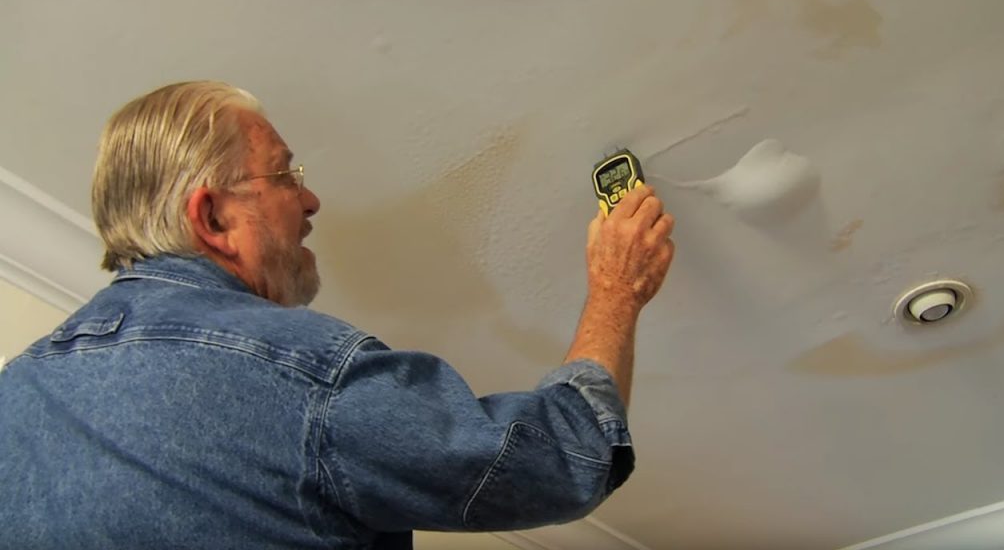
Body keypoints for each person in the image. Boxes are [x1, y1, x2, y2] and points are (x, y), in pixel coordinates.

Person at [0, 81, 674, 549]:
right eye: (286, 174)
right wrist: (617, 292)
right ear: (211, 217)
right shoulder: (298, 373)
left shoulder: (14, 397)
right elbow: (560, 463)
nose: (312, 198)